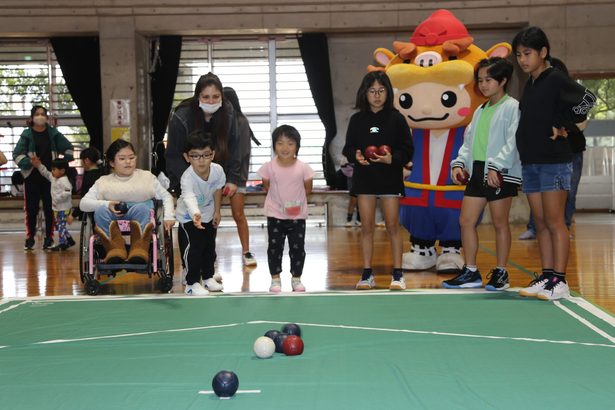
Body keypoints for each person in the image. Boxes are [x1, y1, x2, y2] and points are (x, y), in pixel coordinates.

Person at [513, 27, 596, 301]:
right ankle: (547, 275)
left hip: (555, 163)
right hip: (532, 163)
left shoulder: (556, 79)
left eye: (527, 53)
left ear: (543, 53)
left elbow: (588, 99)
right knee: (540, 222)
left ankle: (560, 281)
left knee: (555, 221)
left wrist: (565, 127)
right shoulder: (531, 84)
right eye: (519, 55)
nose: (523, 60)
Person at [443, 57, 521, 290]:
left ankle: (501, 273)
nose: (484, 85)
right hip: (477, 171)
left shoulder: (512, 107)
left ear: (503, 80)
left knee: (500, 223)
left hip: (500, 172)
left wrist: (498, 167)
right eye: (480, 80)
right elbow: (468, 143)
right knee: (465, 221)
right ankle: (471, 271)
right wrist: (458, 164)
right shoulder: (480, 110)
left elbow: (513, 143)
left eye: (488, 80)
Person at [342, 71, 413, 290]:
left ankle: (398, 274)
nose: (377, 95)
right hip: (365, 180)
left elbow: (408, 149)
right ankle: (366, 274)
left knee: (392, 225)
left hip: (390, 179)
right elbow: (348, 147)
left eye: (381, 91)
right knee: (367, 227)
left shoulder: (397, 118)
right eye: (372, 91)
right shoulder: (357, 119)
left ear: (388, 92)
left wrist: (394, 159)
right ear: (365, 93)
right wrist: (357, 156)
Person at [165, 72, 241, 276]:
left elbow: (235, 148)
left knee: (210, 223)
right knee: (190, 223)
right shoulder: (181, 115)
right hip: (187, 177)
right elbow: (172, 154)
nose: (211, 101)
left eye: (216, 97)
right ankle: (191, 270)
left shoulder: (229, 112)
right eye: (206, 97)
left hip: (214, 177)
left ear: (221, 98)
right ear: (197, 96)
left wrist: (232, 179)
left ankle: (208, 268)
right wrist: (188, 183)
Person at [518, 57, 588, 241]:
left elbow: (582, 117)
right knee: (539, 196)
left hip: (569, 153)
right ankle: (534, 227)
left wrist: (564, 126)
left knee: (568, 193)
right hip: (541, 156)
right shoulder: (533, 90)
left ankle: (563, 226)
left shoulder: (567, 92)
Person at [80, 139, 175, 264]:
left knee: (141, 208)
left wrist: (168, 216)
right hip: (112, 216)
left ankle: (139, 249)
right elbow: (83, 204)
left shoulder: (147, 177)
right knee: (100, 211)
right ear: (112, 163)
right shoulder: (103, 182)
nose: (128, 162)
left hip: (141, 214)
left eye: (131, 157)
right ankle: (115, 250)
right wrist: (107, 204)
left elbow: (166, 197)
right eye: (122, 158)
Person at [257, 125, 314, 293]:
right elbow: (266, 186)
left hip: (297, 216)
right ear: (274, 145)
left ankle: (296, 279)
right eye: (280, 143)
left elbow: (308, 189)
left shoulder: (304, 167)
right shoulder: (268, 167)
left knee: (297, 247)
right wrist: (279, 203)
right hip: (275, 214)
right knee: (274, 248)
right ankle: (275, 280)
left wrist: (295, 204)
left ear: (297, 146)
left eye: (290, 143)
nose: (285, 148)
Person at [13, 105, 74, 251]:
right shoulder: (26, 135)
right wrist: (29, 162)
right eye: (37, 114)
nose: (40, 116)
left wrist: (61, 165)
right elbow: (16, 155)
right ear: (32, 118)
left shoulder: (53, 134)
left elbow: (68, 149)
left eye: (43, 114)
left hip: (51, 179)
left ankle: (49, 238)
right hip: (31, 177)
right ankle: (30, 238)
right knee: (31, 209)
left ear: (47, 117)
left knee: (50, 208)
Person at [176, 131, 226, 296]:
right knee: (195, 248)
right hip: (189, 216)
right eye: (195, 156)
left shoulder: (218, 170)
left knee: (209, 247)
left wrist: (217, 211)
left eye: (206, 155)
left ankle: (208, 277)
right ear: (187, 157)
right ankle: (191, 283)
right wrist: (196, 214)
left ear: (213, 154)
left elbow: (218, 189)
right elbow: (189, 197)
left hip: (209, 213)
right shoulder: (187, 178)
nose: (201, 160)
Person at [222, 86, 257, 266]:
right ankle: (209, 257)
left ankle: (246, 251)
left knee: (238, 214)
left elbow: (242, 152)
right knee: (210, 216)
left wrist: (234, 178)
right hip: (216, 176)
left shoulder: (241, 121)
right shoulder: (217, 120)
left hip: (236, 176)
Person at [31, 157, 76, 251]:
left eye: (54, 169)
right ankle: (69, 240)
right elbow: (46, 173)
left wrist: (57, 199)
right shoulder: (54, 178)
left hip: (64, 208)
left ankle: (63, 243)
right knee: (59, 225)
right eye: (52, 169)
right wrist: (39, 165)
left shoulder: (64, 181)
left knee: (60, 226)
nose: (52, 171)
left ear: (62, 170)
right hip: (57, 208)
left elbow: (67, 192)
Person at [340, 155, 361, 227]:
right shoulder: (347, 153)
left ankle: (359, 220)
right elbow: (343, 166)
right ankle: (349, 219)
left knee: (361, 200)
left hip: (362, 178)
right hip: (352, 179)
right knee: (353, 199)